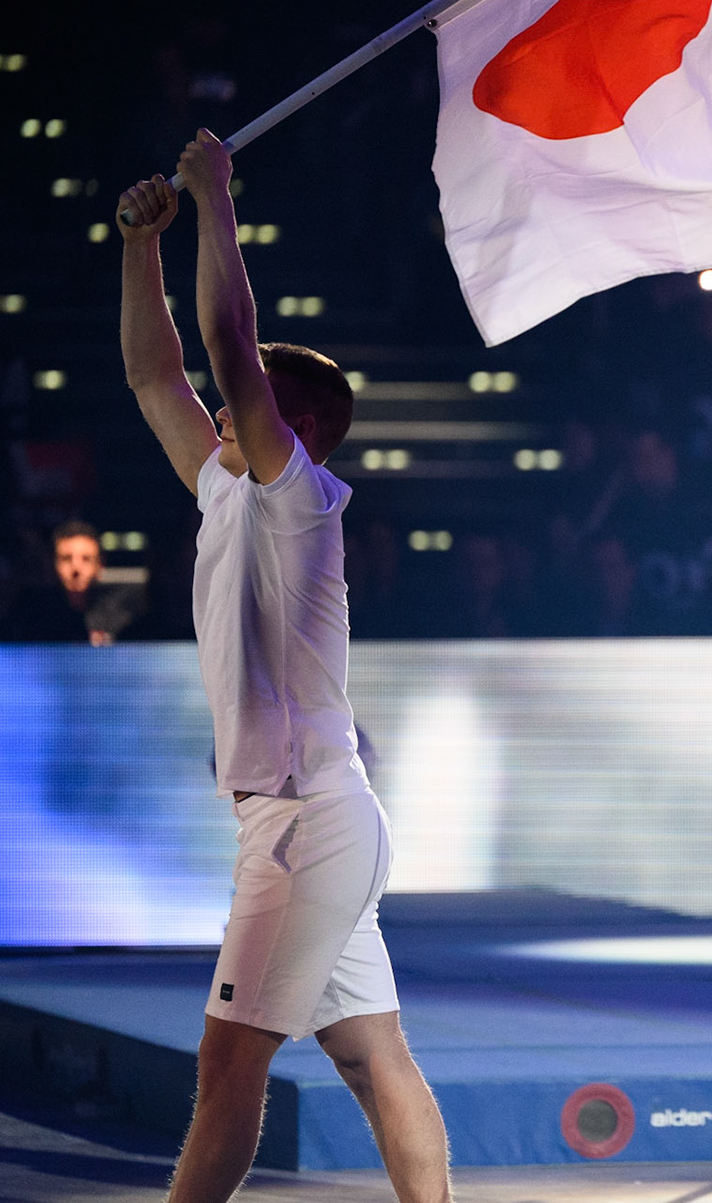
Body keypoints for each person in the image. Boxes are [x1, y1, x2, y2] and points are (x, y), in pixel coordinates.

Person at [117, 130, 453, 1203]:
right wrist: (139, 246)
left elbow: (224, 340)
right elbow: (151, 370)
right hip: (312, 817)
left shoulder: (297, 498)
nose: (220, 410)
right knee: (370, 1051)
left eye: (246, 401)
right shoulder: (226, 487)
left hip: (307, 820)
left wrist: (217, 196)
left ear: (293, 426)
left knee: (228, 1066)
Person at [2, 521, 143, 644]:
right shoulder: (30, 616)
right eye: (66, 558)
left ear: (101, 565)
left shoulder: (123, 617)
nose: (76, 569)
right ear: (52, 564)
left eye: (86, 559)